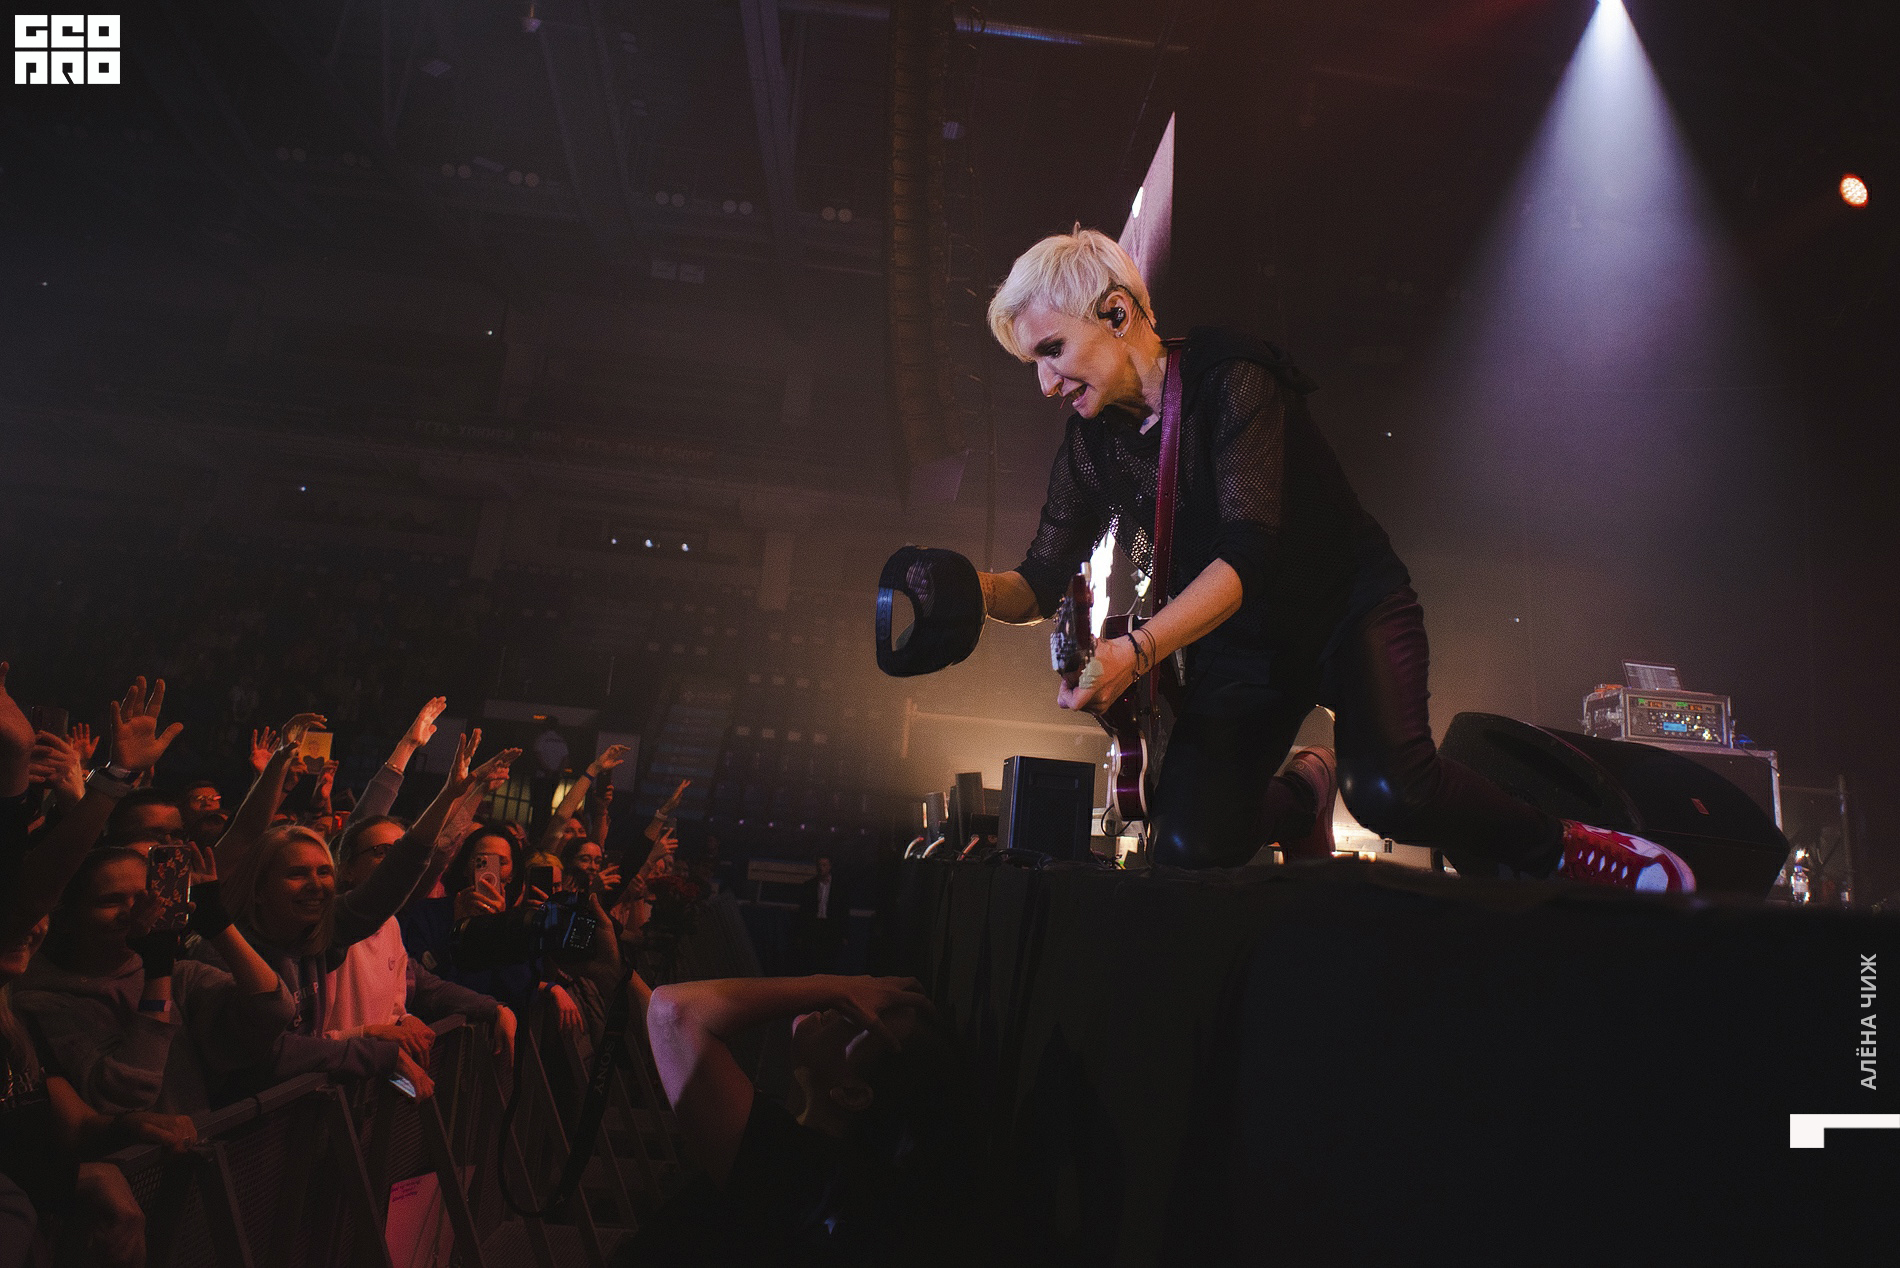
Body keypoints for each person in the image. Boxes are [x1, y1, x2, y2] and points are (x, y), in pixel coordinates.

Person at [978, 227, 1695, 891]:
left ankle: (1565, 845)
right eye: (1034, 364)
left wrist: (1135, 653)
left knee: (1391, 792)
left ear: (1115, 312)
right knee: (1188, 845)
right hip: (1244, 648)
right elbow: (1038, 580)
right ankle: (1301, 798)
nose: (1046, 385)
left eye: (1052, 351)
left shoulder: (1232, 376)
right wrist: (962, 589)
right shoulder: (1091, 443)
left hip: (1346, 609)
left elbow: (1246, 557)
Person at [639, 974, 966, 1266]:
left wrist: (833, 987)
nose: (852, 1002)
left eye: (862, 1015)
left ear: (852, 1093)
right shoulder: (812, 1168)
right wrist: (621, 975)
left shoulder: (806, 1175)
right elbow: (673, 1046)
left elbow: (673, 1013)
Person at [15, 844, 294, 1115]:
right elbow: (129, 1093)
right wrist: (158, 966)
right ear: (69, 918)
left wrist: (218, 924)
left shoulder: (181, 977)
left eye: (143, 898)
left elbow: (274, 1009)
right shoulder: (41, 1002)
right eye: (111, 901)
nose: (131, 912)